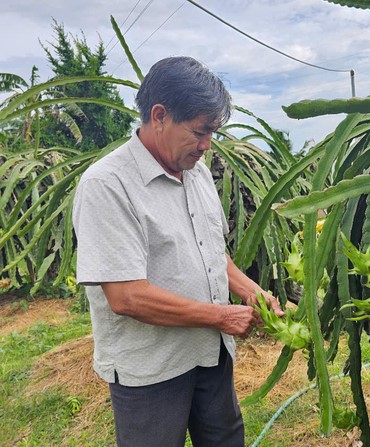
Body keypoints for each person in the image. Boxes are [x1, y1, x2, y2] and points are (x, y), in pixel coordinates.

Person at [72, 56, 283, 447]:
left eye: (213, 133)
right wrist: (220, 316)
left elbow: (211, 251)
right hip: (153, 367)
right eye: (200, 132)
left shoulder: (196, 172)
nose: (207, 145)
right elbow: (126, 296)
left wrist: (249, 290)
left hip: (211, 354)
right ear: (159, 116)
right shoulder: (107, 185)